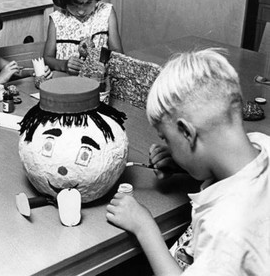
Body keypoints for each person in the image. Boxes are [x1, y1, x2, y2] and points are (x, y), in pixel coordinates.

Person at [106, 49, 270, 275]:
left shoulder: (226, 229)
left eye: (167, 139)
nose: (168, 148)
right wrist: (185, 164)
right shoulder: (261, 144)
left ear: (186, 132)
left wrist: (144, 227)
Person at [43, 0, 124, 76]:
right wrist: (64, 65)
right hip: (66, 83)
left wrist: (104, 63)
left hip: (98, 82)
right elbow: (47, 58)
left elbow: (118, 53)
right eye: (74, 5)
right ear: (64, 0)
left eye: (87, 3)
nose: (81, 11)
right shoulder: (57, 19)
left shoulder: (107, 12)